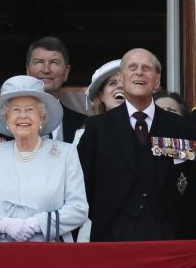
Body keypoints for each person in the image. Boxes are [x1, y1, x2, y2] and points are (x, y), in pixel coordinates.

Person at [78, 48, 194, 241]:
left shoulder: (180, 127)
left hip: (169, 236)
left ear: (157, 81)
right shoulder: (97, 128)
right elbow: (82, 186)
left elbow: (191, 184)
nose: (139, 72)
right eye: (132, 68)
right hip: (113, 236)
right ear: (122, 80)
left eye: (146, 68)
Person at [0, 75, 88, 242]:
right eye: (15, 110)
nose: (23, 116)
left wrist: (38, 223)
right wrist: (4, 224)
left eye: (30, 109)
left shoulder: (65, 154)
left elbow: (79, 209)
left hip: (50, 253)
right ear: (6, 118)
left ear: (42, 117)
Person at [26, 36, 87, 142]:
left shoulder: (84, 124)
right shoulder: (5, 122)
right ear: (27, 69)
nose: (46, 70)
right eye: (39, 62)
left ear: (66, 72)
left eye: (54, 62)